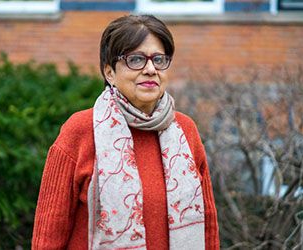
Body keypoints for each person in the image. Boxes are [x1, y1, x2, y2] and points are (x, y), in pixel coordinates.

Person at [32, 15, 219, 250]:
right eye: (136, 59)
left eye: (159, 59)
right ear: (109, 72)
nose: (150, 69)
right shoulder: (80, 131)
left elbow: (208, 229)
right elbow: (49, 234)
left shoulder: (185, 130)